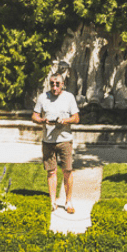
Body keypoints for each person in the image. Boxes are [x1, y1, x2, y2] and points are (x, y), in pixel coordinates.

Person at [32, 71, 80, 212]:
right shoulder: (43, 97)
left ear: (62, 84)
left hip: (65, 140)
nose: (54, 87)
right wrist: (42, 120)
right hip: (48, 141)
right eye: (52, 84)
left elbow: (76, 118)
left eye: (57, 84)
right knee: (51, 172)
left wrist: (65, 120)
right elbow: (34, 116)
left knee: (67, 171)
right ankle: (53, 202)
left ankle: (68, 202)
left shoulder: (69, 97)